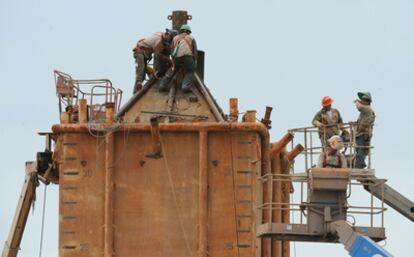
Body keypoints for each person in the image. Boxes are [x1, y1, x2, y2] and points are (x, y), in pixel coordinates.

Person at [133, 29, 178, 93]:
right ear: (168, 34)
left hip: (145, 54)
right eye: (170, 39)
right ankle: (136, 90)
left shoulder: (161, 35)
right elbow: (157, 55)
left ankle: (137, 89)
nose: (169, 41)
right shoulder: (159, 40)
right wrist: (169, 60)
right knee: (141, 70)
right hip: (139, 52)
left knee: (143, 75)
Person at [159, 24, 198, 93]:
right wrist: (194, 62)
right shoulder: (191, 38)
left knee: (172, 70)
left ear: (181, 31)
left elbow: (172, 50)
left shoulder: (175, 38)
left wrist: (173, 61)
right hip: (187, 58)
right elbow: (195, 52)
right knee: (190, 71)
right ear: (189, 32)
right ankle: (185, 86)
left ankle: (162, 86)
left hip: (176, 58)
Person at [353, 92, 375, 169]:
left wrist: (357, 102)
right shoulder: (365, 111)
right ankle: (361, 164)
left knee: (360, 151)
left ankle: (359, 166)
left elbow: (359, 107)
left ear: (367, 101)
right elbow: (361, 121)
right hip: (362, 133)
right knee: (360, 150)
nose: (361, 101)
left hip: (363, 134)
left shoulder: (367, 108)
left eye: (363, 100)